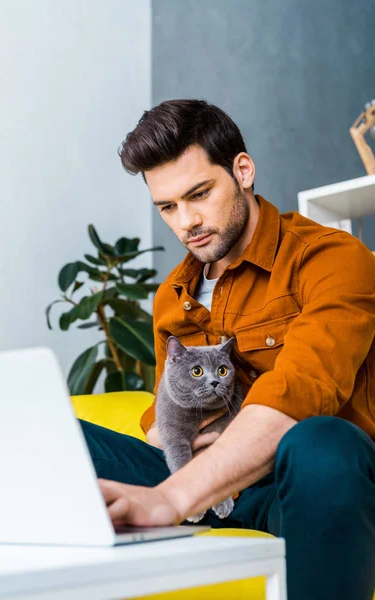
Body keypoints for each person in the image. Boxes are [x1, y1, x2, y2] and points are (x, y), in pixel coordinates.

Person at [79, 99, 375, 600]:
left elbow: (299, 393)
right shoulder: (171, 296)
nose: (186, 222)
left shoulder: (333, 259)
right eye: (168, 207)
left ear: (242, 171)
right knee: (61, 441)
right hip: (199, 481)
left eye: (199, 194)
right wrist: (169, 449)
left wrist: (170, 498)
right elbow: (165, 410)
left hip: (297, 486)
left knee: (323, 442)